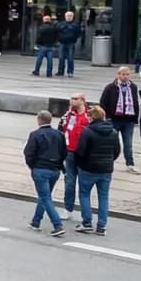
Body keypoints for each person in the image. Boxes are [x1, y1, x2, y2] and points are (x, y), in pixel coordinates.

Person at [72, 104, 117, 234]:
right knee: (103, 196)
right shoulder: (113, 132)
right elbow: (117, 151)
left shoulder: (87, 131)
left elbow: (80, 151)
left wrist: (80, 164)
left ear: (92, 117)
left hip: (88, 168)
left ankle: (87, 222)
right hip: (106, 169)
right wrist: (109, 161)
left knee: (84, 194)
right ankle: (102, 225)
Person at [20, 111, 67, 235]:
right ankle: (36, 221)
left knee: (45, 197)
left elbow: (28, 153)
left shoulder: (35, 134)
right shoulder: (59, 134)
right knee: (44, 196)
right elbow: (64, 153)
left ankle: (58, 225)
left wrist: (32, 166)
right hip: (55, 170)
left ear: (39, 120)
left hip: (40, 169)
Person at [100, 66, 141, 168]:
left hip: (128, 120)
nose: (125, 77)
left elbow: (135, 102)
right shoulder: (110, 87)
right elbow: (103, 102)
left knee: (128, 143)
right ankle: (108, 161)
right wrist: (108, 117)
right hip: (114, 119)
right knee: (112, 142)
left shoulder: (133, 87)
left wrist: (135, 118)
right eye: (123, 74)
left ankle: (130, 163)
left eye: (127, 74)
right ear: (118, 75)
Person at [56, 94, 89, 213]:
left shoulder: (88, 116)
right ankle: (68, 208)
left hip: (84, 155)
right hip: (69, 152)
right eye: (71, 99)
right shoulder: (68, 115)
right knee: (69, 182)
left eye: (75, 99)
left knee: (84, 183)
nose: (72, 101)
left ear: (83, 101)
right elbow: (60, 131)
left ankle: (85, 211)